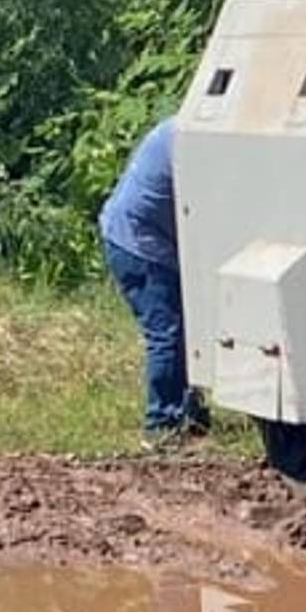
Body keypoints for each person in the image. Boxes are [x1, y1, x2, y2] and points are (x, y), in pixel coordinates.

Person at [100, 116, 204, 446]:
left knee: (183, 328)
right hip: (139, 242)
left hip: (140, 235)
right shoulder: (191, 136)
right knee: (167, 332)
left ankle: (188, 413)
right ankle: (161, 424)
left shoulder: (181, 127)